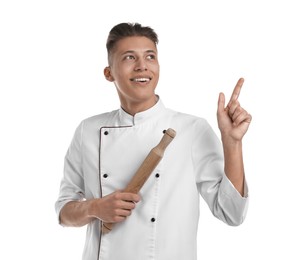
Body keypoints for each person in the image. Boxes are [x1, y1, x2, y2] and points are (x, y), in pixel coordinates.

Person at [55, 22, 252, 260]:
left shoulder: (191, 129)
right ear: (109, 73)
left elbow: (232, 213)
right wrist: (95, 208)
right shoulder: (89, 129)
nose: (142, 66)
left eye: (150, 57)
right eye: (129, 57)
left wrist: (232, 144)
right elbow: (64, 212)